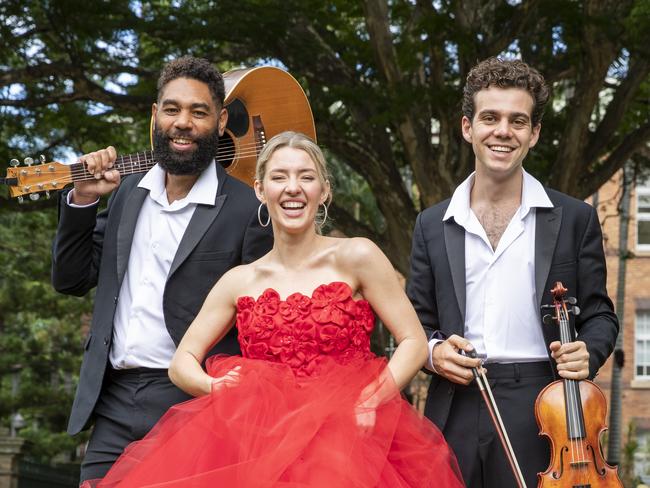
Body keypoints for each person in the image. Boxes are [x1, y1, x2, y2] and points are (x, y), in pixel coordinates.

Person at [80, 131, 464, 487]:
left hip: (349, 441)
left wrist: (371, 400)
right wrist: (215, 387)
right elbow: (181, 363)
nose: (293, 188)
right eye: (280, 177)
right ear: (261, 190)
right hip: (259, 444)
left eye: (306, 177)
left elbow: (413, 340)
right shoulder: (240, 280)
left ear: (324, 190)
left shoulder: (357, 255)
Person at [51, 56, 273, 482]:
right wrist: (82, 199)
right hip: (113, 401)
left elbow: (259, 325)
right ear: (155, 115)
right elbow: (72, 279)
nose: (182, 122)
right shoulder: (127, 193)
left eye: (199, 111)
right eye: (172, 109)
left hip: (195, 404)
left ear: (221, 119)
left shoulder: (248, 210)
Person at [406, 57, 619, 488]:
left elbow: (599, 315)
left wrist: (588, 352)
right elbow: (416, 319)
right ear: (468, 127)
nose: (503, 131)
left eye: (517, 120)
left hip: (543, 407)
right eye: (490, 118)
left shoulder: (575, 218)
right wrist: (433, 353)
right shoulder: (431, 223)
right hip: (457, 402)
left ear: (534, 133)